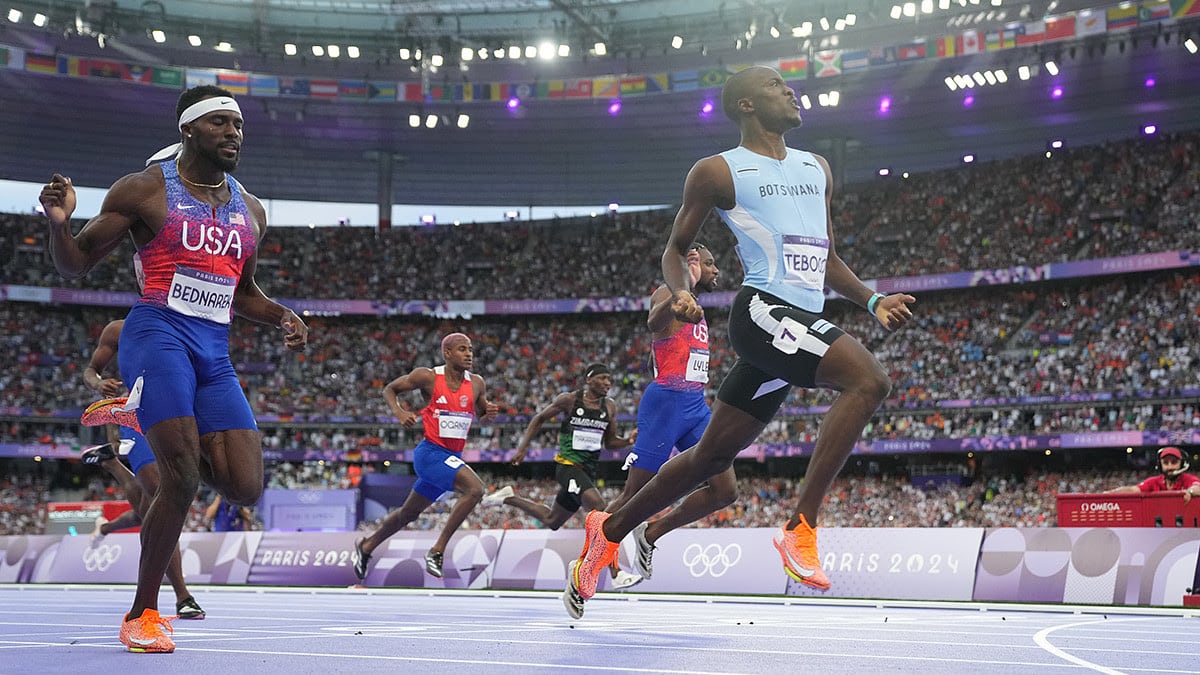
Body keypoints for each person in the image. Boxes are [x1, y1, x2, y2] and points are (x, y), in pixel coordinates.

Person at [563, 65, 916, 614]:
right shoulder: (718, 171)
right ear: (747, 104)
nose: (791, 91)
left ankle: (606, 530)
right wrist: (679, 291)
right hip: (763, 313)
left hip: (799, 322)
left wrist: (871, 299)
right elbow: (676, 248)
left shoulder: (816, 167)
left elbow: (825, 256)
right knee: (869, 379)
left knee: (710, 458)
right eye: (776, 85)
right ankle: (801, 526)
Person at [39, 85, 308, 653]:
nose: (233, 134)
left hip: (213, 349)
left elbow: (245, 293)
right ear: (188, 130)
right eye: (219, 125)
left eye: (237, 126)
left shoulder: (251, 209)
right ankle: (142, 614)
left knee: (245, 485)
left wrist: (282, 314)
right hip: (156, 333)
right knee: (181, 476)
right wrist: (60, 223)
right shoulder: (144, 191)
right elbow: (76, 265)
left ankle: (148, 418)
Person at [597, 244, 733, 590]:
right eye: (710, 263)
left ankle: (651, 532)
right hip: (667, 404)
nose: (717, 270)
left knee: (725, 490)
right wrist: (676, 295)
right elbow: (652, 322)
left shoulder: (699, 305)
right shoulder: (672, 292)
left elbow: (669, 349)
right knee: (634, 493)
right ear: (692, 263)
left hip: (696, 404)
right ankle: (592, 556)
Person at [480, 363, 641, 597]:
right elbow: (539, 418)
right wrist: (523, 448)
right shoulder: (569, 400)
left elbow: (610, 443)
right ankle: (616, 573)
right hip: (567, 467)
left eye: (610, 379)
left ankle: (509, 498)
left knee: (552, 519)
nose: (608, 383)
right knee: (600, 508)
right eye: (603, 378)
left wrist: (627, 441)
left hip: (587, 472)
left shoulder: (610, 407)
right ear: (590, 379)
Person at [82, 319, 205, 620]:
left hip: (177, 410)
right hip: (137, 415)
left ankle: (112, 467)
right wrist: (98, 383)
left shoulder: (185, 322)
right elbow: (90, 371)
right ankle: (182, 595)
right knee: (159, 490)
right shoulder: (118, 330)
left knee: (153, 507)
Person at [353, 333, 499, 583]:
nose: (469, 354)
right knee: (475, 489)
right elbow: (390, 389)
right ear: (448, 353)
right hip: (431, 454)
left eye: (471, 349)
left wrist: (488, 414)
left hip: (450, 458)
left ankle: (366, 546)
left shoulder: (476, 384)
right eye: (462, 349)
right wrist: (399, 412)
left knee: (407, 515)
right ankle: (437, 550)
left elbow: (482, 414)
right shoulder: (428, 377)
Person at [1106, 447, 1200, 502]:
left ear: (1182, 464)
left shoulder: (1188, 479)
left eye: (1174, 462)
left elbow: (1197, 488)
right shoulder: (1154, 481)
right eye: (1166, 463)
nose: (1170, 466)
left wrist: (1189, 492)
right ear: (1160, 465)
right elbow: (1133, 489)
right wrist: (1111, 493)